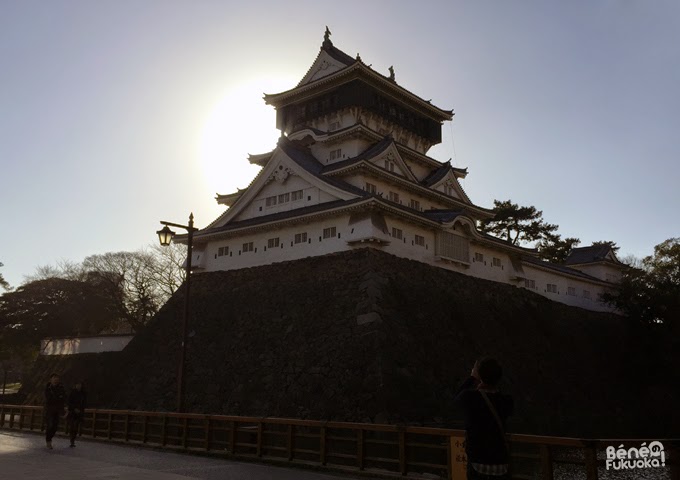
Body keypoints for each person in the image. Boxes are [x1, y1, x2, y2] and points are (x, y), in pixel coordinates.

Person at [454, 358, 514, 479]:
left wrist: (472, 377)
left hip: (478, 463)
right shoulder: (507, 401)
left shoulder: (469, 398)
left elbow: (457, 397)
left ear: (479, 376)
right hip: (501, 464)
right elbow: (497, 396)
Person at [44, 373, 66, 449]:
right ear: (51, 379)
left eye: (57, 378)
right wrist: (57, 398)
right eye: (54, 378)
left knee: (55, 427)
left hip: (57, 410)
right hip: (49, 410)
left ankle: (49, 438)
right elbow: (49, 399)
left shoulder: (61, 388)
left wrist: (62, 411)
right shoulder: (48, 388)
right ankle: (48, 441)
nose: (56, 379)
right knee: (50, 425)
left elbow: (63, 399)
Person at [67, 381, 87, 447]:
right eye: (77, 384)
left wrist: (81, 411)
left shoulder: (83, 393)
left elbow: (84, 403)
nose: (78, 386)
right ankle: (71, 440)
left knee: (76, 427)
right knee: (72, 426)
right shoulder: (72, 393)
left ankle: (73, 440)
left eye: (80, 384)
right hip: (73, 412)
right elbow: (69, 402)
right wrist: (74, 408)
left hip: (79, 412)